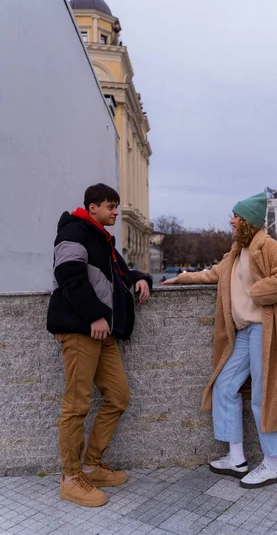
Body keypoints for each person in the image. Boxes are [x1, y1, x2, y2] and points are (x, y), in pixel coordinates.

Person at [163, 192, 277, 489]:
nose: (231, 220)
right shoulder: (238, 251)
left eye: (236, 217)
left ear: (249, 222)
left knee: (262, 395)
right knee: (224, 386)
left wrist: (257, 291)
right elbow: (214, 274)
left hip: (264, 330)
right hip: (243, 333)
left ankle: (272, 464)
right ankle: (237, 458)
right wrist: (181, 278)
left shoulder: (268, 246)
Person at [47, 183, 152, 507]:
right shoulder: (74, 232)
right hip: (81, 329)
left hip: (103, 333)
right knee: (76, 404)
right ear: (92, 207)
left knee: (118, 395)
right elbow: (69, 276)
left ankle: (91, 465)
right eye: (110, 206)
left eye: (116, 206)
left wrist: (140, 277)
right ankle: (70, 478)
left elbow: (121, 270)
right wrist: (94, 315)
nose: (116, 212)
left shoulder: (102, 239)